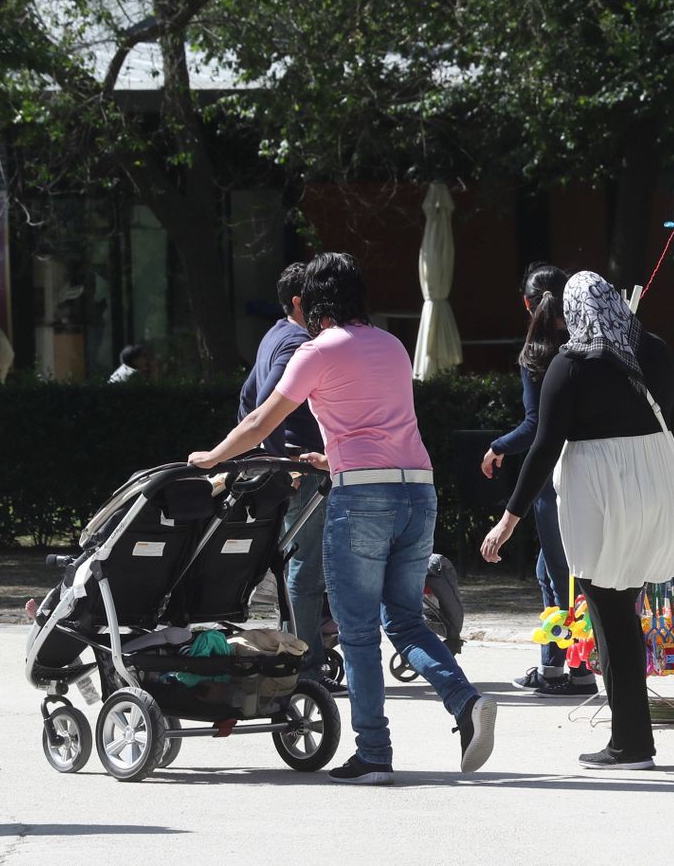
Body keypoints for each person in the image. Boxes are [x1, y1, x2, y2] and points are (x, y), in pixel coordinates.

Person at [189, 252, 496, 784]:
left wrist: (213, 458)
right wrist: (332, 458)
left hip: (362, 499)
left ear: (316, 300)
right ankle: (464, 702)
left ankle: (374, 754)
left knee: (357, 634)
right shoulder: (394, 346)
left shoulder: (315, 351)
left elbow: (263, 419)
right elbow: (386, 426)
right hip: (418, 491)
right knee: (403, 620)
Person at [480, 272, 674, 770]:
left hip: (601, 496)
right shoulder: (656, 351)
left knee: (610, 614)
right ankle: (631, 736)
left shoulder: (571, 363)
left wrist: (509, 519)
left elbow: (543, 449)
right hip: (657, 488)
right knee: (624, 612)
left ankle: (630, 744)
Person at [481, 263, 597, 697]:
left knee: (563, 575)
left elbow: (535, 426)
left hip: (555, 477)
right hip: (592, 468)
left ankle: (577, 671)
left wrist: (497, 446)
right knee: (556, 573)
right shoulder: (589, 344)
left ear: (526, 304)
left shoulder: (537, 353)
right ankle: (555, 667)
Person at [238, 262, 342, 695]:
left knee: (296, 566)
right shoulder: (298, 342)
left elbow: (246, 398)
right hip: (304, 470)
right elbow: (261, 403)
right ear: (300, 301)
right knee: (306, 569)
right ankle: (307, 663)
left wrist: (261, 455)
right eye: (315, 295)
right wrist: (281, 460)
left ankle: (293, 651)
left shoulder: (274, 334)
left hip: (292, 468)